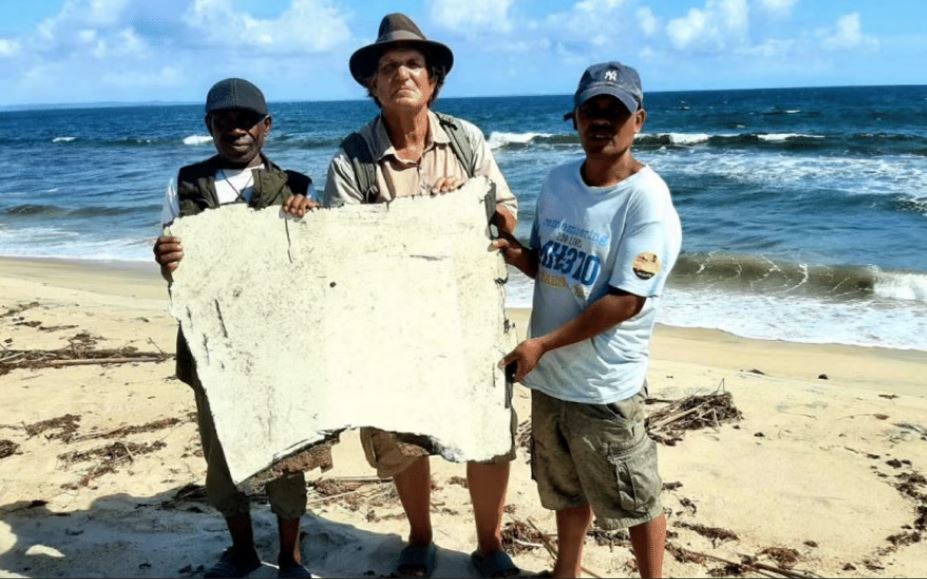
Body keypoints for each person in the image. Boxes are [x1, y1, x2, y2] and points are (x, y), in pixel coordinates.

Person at [323, 13, 519, 579]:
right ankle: (420, 536)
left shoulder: (466, 140)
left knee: (486, 433)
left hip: (466, 318)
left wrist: (472, 201)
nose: (401, 74)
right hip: (390, 324)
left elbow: (506, 214)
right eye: (388, 67)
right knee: (400, 436)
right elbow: (342, 245)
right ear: (372, 85)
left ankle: (489, 543)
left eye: (413, 64)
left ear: (433, 80)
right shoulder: (351, 156)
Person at [496, 62, 682, 579]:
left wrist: (541, 345)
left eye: (614, 112)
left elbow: (626, 300)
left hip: (603, 386)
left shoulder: (648, 201)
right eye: (590, 111)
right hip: (551, 378)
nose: (601, 122)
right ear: (573, 118)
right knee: (565, 488)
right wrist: (516, 255)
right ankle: (567, 572)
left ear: (638, 120)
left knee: (635, 497)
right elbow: (551, 265)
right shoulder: (558, 182)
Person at [153, 77, 317, 579]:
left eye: (247, 120)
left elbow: (317, 268)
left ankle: (289, 555)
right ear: (209, 127)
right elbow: (170, 264)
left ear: (266, 127)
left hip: (278, 345)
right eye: (224, 121)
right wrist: (164, 258)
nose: (236, 129)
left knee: (287, 451)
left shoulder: (299, 187)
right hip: (210, 347)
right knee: (221, 453)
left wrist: (309, 219)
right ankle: (242, 549)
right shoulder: (184, 185)